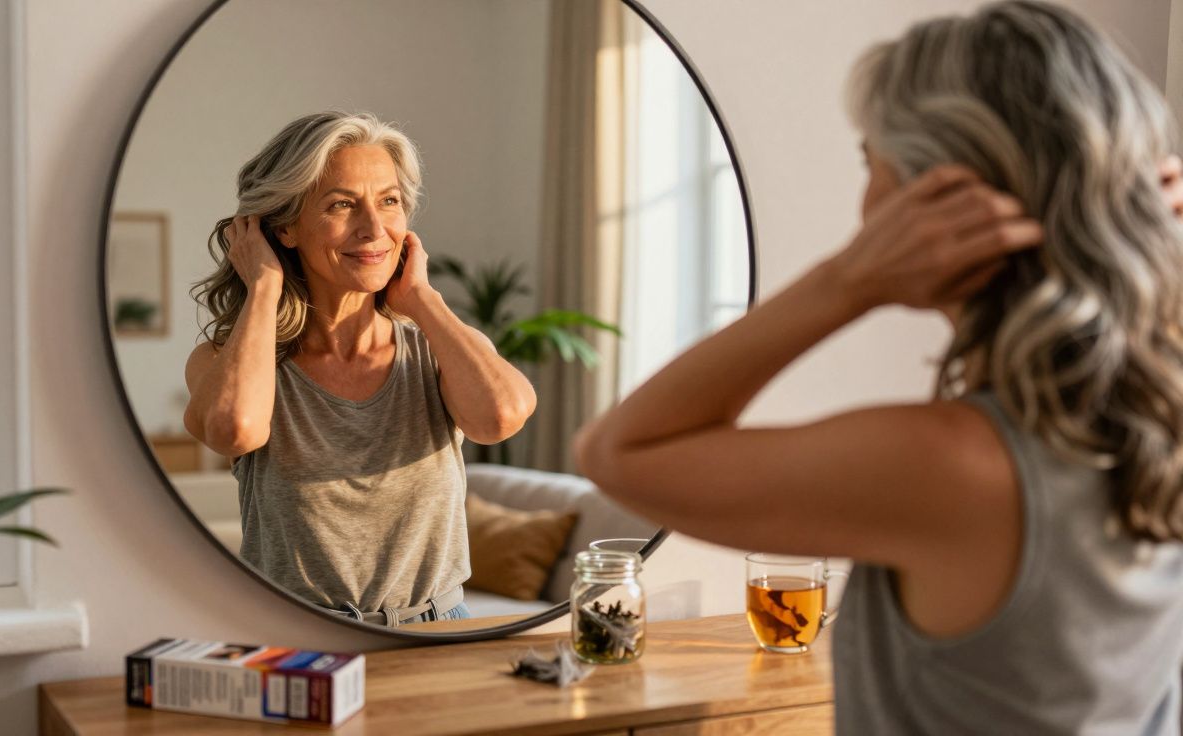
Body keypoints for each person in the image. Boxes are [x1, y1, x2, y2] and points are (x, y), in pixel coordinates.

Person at [574, 2, 1183, 732]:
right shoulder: (1158, 410)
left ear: (937, 194)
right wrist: (1128, 232)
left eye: (871, 162)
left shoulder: (953, 464)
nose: (864, 203)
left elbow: (617, 452)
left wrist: (848, 280)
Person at [184, 112, 536, 626]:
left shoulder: (437, 348)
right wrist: (263, 286)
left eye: (389, 201)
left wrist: (422, 298)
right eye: (342, 204)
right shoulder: (225, 361)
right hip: (299, 637)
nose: (374, 229)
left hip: (438, 631)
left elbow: (501, 417)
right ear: (284, 228)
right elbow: (234, 429)